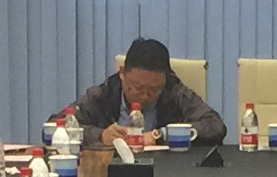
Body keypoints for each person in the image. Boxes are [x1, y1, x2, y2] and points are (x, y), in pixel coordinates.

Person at [73, 37, 228, 148]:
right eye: (138, 88)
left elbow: (215, 126)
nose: (145, 96)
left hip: (167, 171)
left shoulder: (174, 92)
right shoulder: (103, 94)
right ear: (122, 74)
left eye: (154, 90)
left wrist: (161, 135)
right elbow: (62, 127)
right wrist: (100, 136)